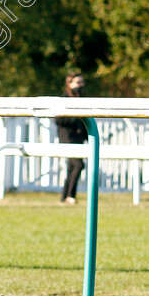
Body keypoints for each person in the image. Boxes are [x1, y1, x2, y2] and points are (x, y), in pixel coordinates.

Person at [56, 72, 88, 205]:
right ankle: (69, 195)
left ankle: (66, 196)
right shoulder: (64, 98)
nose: (80, 85)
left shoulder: (81, 98)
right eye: (77, 82)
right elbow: (58, 119)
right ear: (69, 83)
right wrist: (74, 118)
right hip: (68, 137)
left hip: (78, 137)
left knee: (72, 167)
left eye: (82, 82)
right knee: (78, 164)